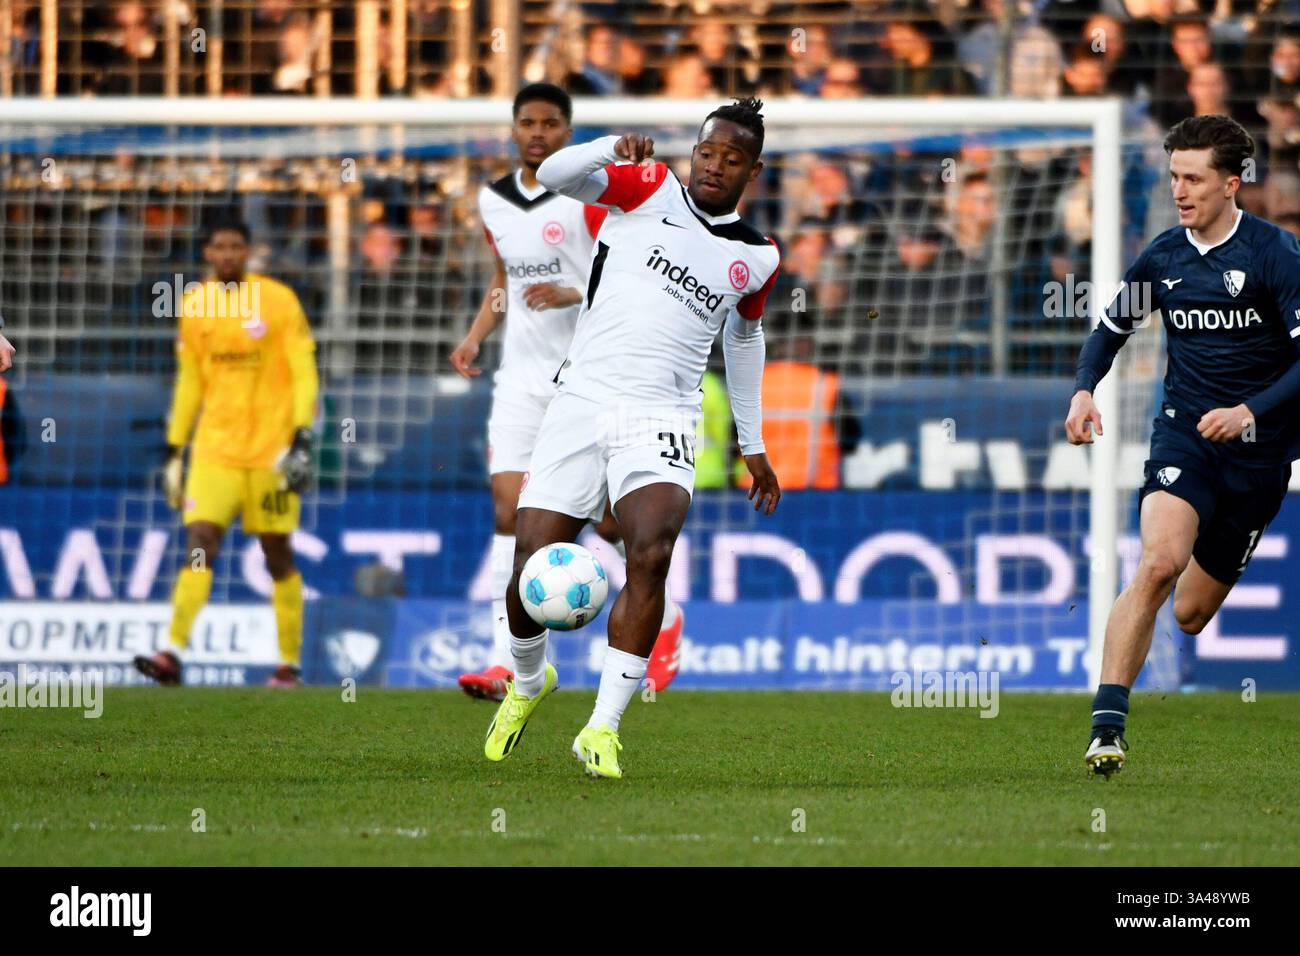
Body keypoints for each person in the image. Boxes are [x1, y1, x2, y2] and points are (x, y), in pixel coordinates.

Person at [484, 97, 782, 779]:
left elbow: (745, 336)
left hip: (664, 415)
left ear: (752, 170)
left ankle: (602, 728)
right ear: (695, 152)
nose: (714, 167)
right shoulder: (646, 187)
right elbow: (553, 173)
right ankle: (529, 682)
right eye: (707, 153)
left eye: (731, 160)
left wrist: (752, 439)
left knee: (650, 553)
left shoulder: (757, 256)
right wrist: (610, 144)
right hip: (581, 398)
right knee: (532, 562)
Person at [1066, 115, 1300, 778]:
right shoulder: (1164, 257)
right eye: (1174, 176)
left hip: (1258, 455)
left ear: (1232, 184)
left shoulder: (1274, 256)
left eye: (1193, 178)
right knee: (1159, 564)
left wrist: (1249, 411)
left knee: (1193, 613)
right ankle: (1106, 728)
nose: (1180, 189)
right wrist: (1084, 390)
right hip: (1185, 435)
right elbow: (1110, 329)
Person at [451, 84, 684, 703]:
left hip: (589, 380)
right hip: (520, 381)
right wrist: (476, 336)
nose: (537, 134)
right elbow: (505, 278)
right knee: (510, 512)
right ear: (512, 128)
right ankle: (504, 660)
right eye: (527, 122)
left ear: (568, 130)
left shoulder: (589, 196)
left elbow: (630, 275)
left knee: (609, 525)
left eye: (551, 124)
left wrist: (572, 293)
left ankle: (669, 616)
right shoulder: (493, 200)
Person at [134, 217, 318, 688]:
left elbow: (302, 367)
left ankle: (289, 663)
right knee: (200, 543)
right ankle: (173, 651)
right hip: (214, 450)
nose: (229, 254)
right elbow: (191, 380)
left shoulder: (277, 300)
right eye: (220, 246)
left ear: (249, 250)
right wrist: (176, 447)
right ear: (207, 252)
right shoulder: (195, 304)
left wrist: (301, 433)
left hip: (271, 452)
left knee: (277, 553)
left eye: (237, 246)